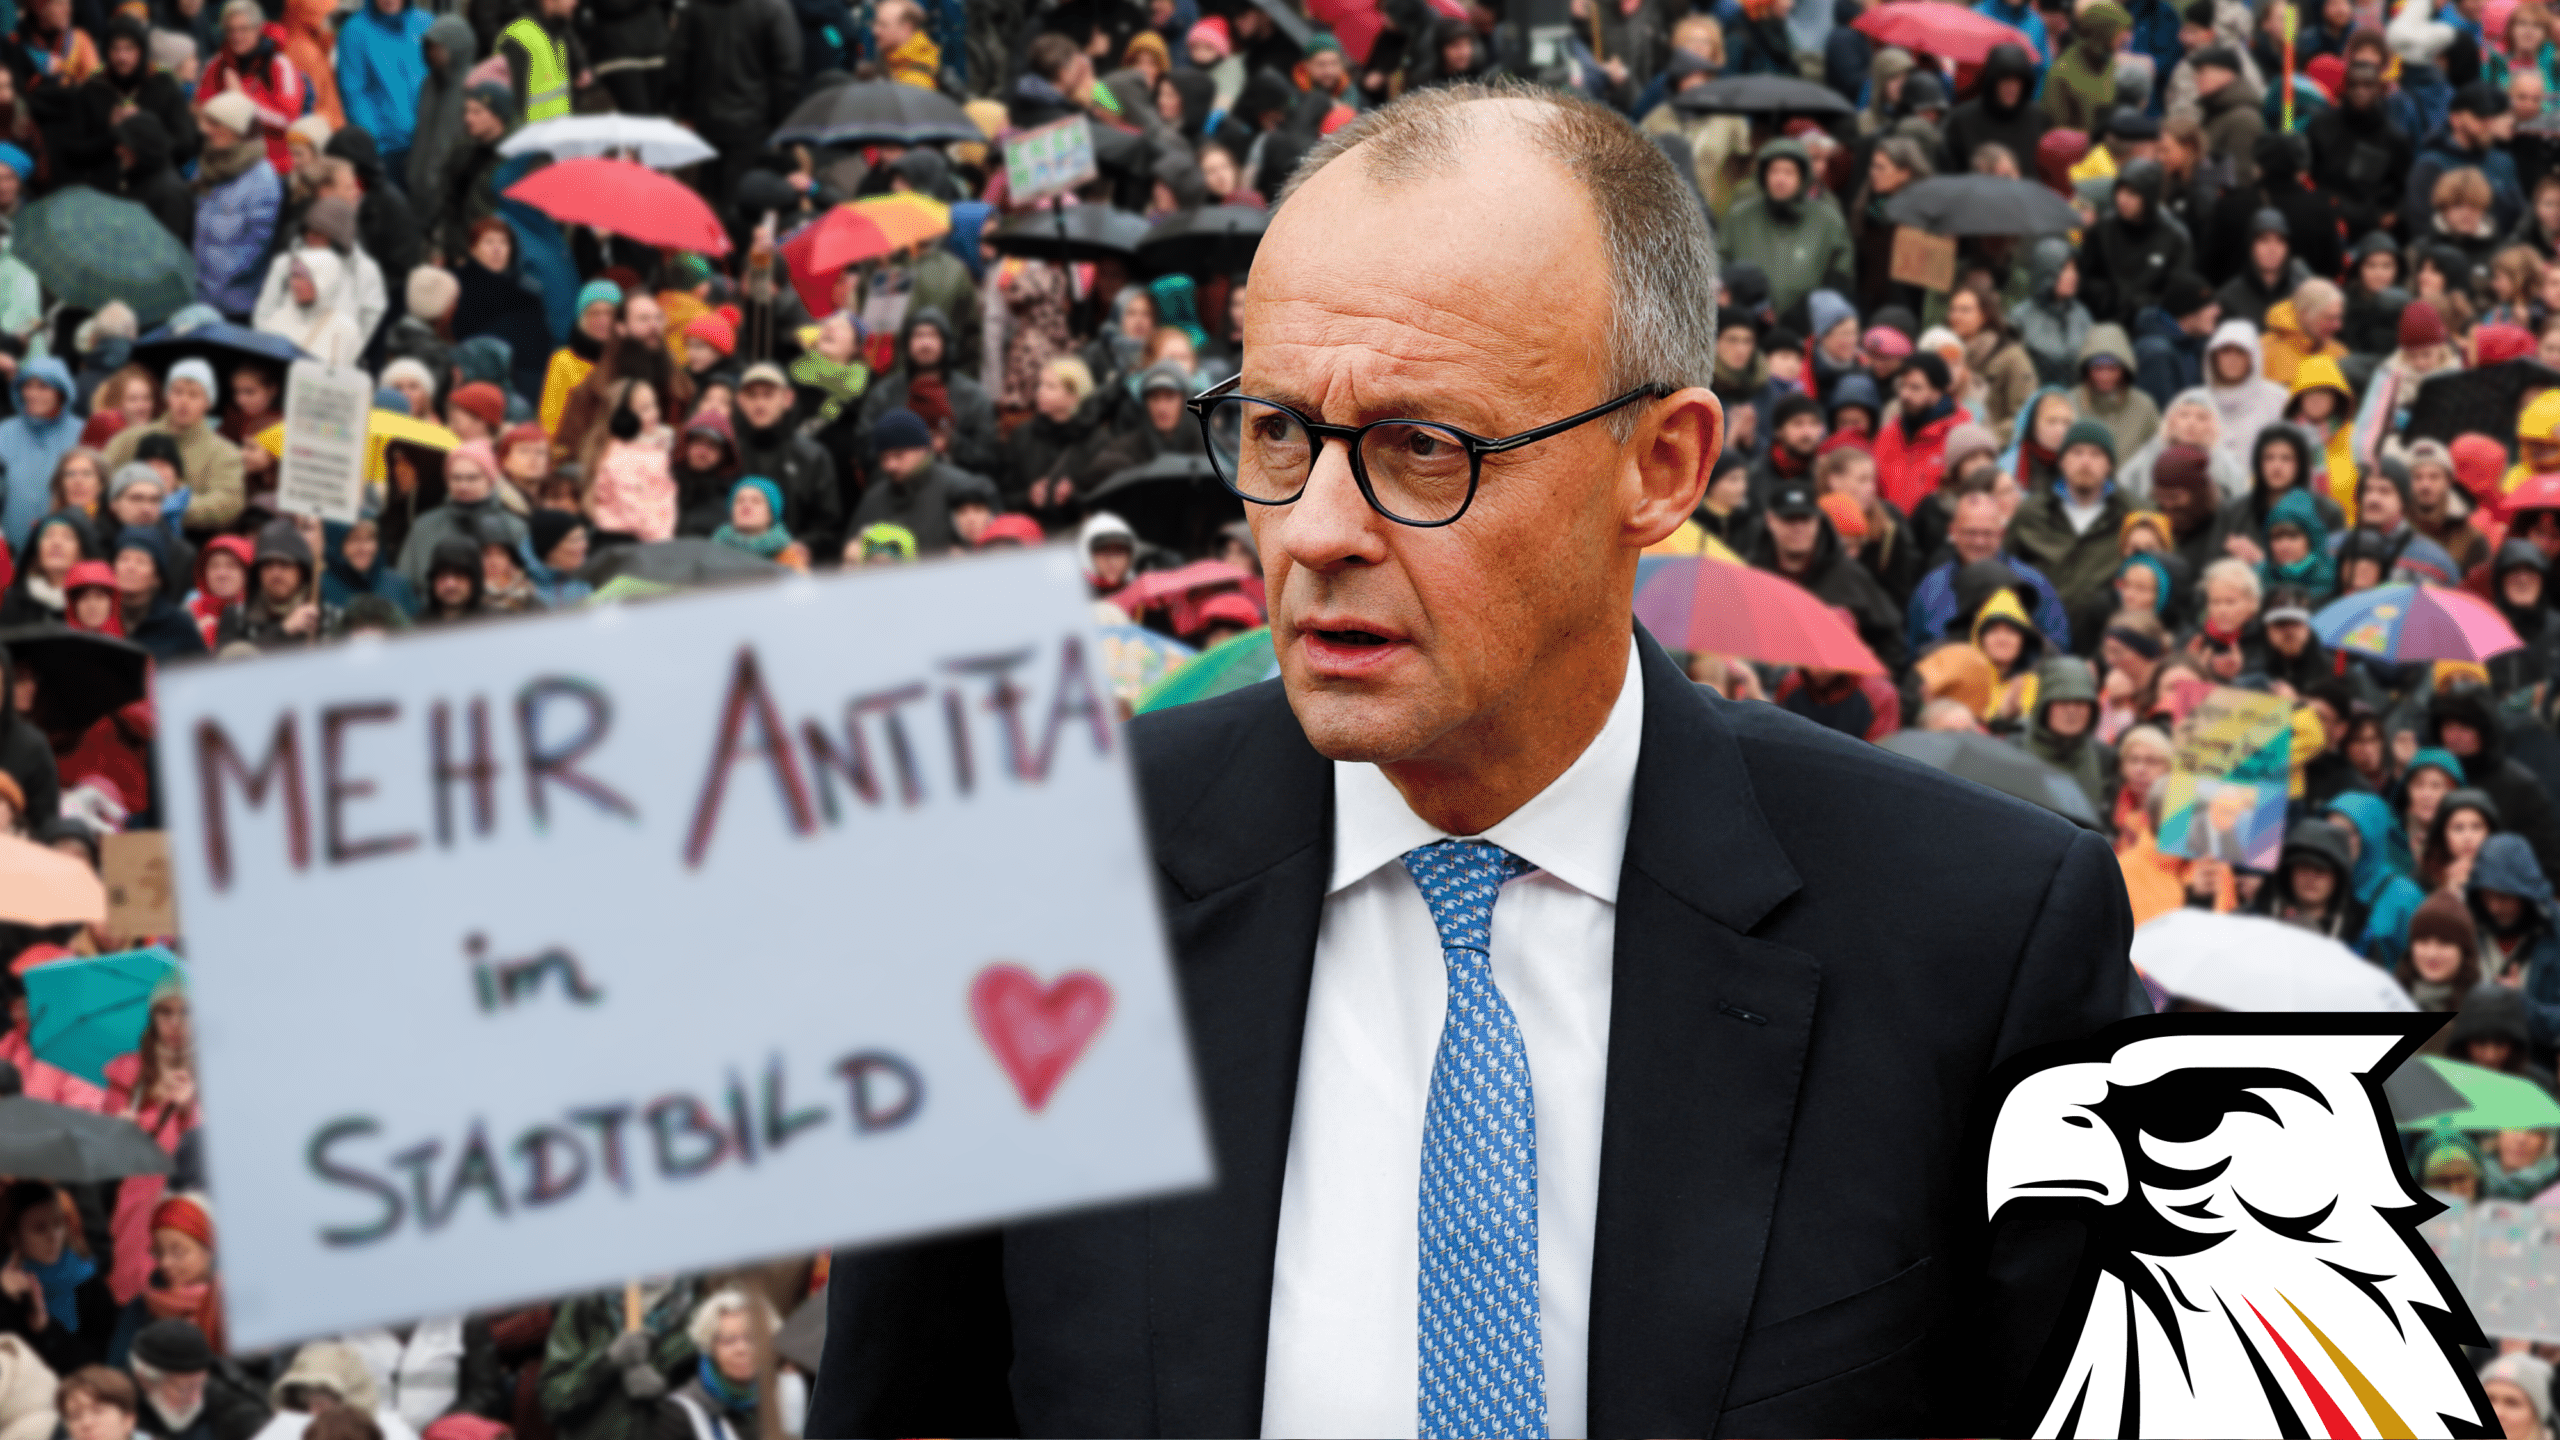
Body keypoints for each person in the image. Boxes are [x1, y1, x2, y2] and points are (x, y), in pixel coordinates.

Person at [815, 79, 2138, 1440]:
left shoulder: (1977, 943)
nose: (1315, 529)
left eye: (1420, 448)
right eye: (1276, 432)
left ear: (1662, 465)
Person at [2008, 419, 2136, 616]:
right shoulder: (2031, 513)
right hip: (2040, 627)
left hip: (2108, 627)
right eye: (2077, 452)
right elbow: (2004, 568)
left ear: (2110, 464)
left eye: (2096, 454)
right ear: (2062, 461)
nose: (2085, 462)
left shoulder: (2133, 514)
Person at [103, 361, 244, 537]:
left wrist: (177, 505)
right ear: (167, 395)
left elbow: (229, 502)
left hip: (191, 540)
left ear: (208, 402)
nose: (184, 401)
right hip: (123, 533)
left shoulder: (225, 452)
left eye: (194, 395)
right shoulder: (130, 438)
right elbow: (101, 476)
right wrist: (131, 501)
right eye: (177, 392)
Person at [539, 1284, 697, 1440]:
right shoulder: (584, 1301)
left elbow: (708, 1413)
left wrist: (665, 1395)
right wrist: (607, 1362)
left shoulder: (700, 1311)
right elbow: (552, 1401)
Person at [654, 1290, 803, 1440]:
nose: (742, 1349)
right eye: (728, 1340)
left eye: (752, 1338)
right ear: (710, 1347)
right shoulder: (681, 1413)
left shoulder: (780, 1402)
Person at [0, 1183, 111, 1374]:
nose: (54, 1236)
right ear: (14, 1237)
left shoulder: (86, 1279)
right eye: (40, 1229)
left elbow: (96, 1360)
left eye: (58, 1224)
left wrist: (45, 1328)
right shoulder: (7, 1282)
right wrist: (4, 1299)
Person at [193, 92, 283, 321]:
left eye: (215, 124)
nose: (206, 130)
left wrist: (216, 279)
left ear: (236, 128)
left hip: (236, 305)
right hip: (199, 296)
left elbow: (257, 245)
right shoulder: (207, 166)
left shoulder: (262, 179)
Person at [846, 409, 964, 558]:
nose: (890, 465)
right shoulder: (873, 499)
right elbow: (852, 548)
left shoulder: (960, 489)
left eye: (899, 455)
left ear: (922, 449)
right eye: (884, 458)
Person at [124, 1319, 268, 1440]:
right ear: (145, 1381)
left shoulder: (228, 1402)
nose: (196, 1399)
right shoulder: (118, 1407)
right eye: (185, 1389)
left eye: (201, 1384)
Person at [0, 357, 80, 552]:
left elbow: (95, 494)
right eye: (28, 386)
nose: (33, 394)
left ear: (61, 392)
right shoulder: (4, 433)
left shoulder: (81, 433)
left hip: (64, 546)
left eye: (43, 387)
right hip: (10, 545)